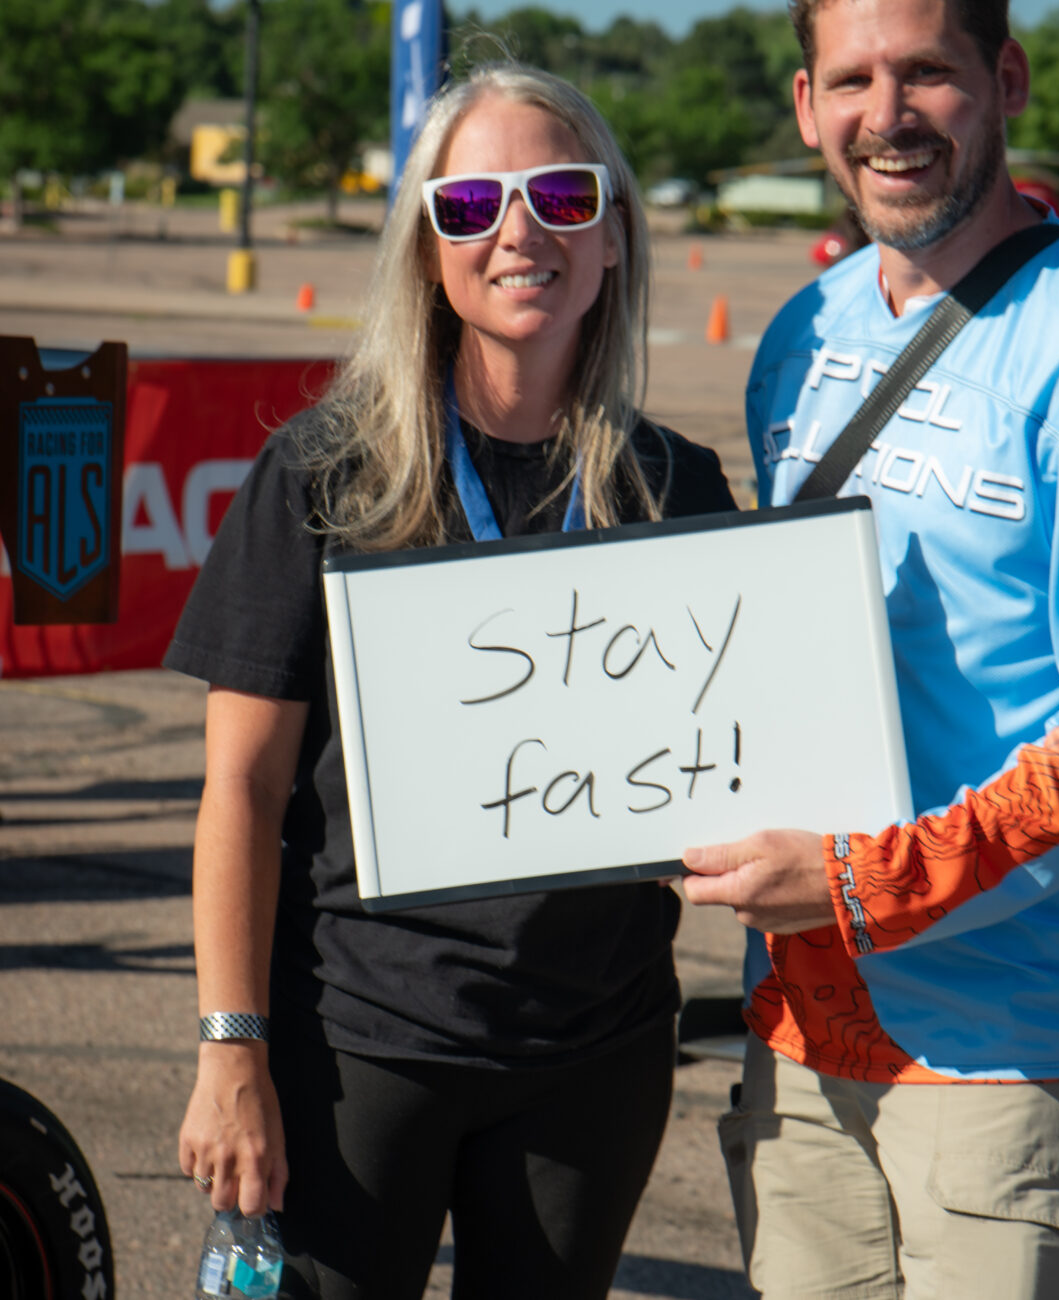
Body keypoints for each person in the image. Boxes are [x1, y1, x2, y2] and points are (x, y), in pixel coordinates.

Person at [679, 2, 1059, 1298]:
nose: (890, 114)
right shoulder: (803, 335)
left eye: (928, 71)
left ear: (1008, 80)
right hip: (804, 1026)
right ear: (810, 106)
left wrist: (866, 884)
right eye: (855, 79)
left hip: (1005, 1043)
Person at [167, 62, 735, 1299]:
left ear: (617, 236)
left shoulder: (676, 490)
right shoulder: (325, 477)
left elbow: (724, 770)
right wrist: (231, 1053)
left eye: (560, 196)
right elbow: (239, 797)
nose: (519, 230)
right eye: (472, 203)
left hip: (597, 1056)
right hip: (358, 1051)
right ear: (428, 249)